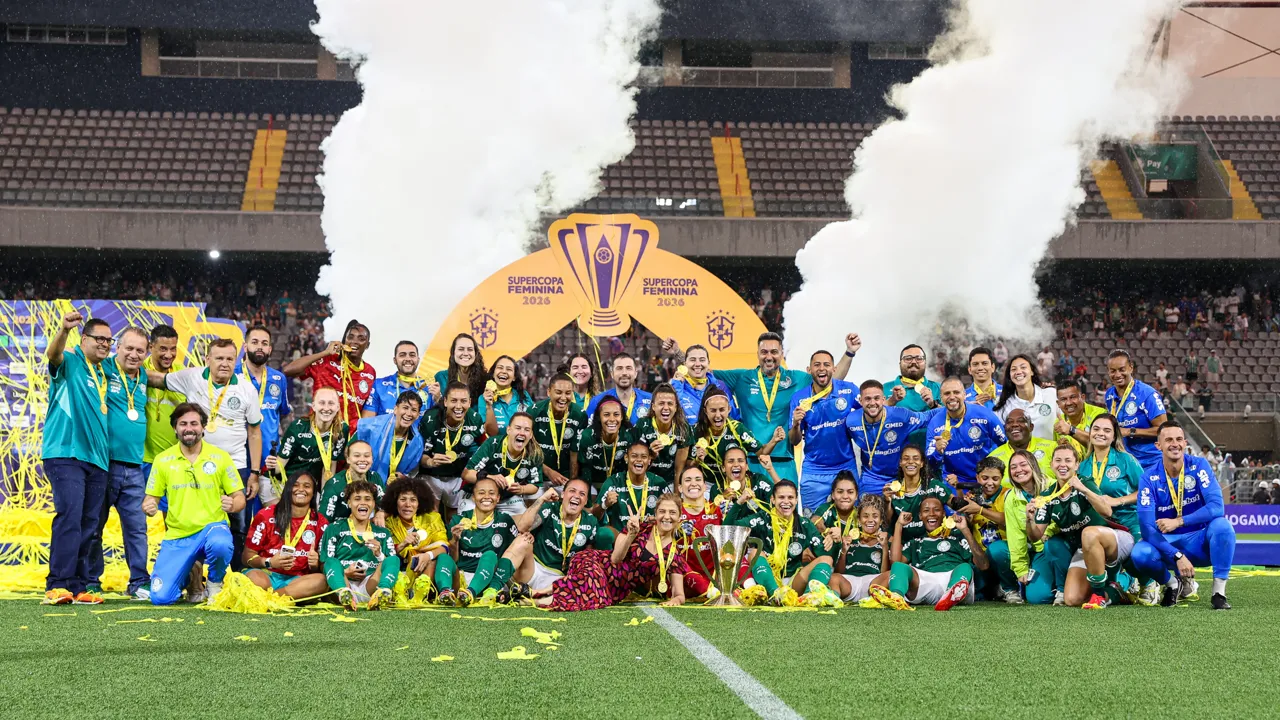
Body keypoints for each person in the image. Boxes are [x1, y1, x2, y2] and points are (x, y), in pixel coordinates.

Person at [674, 331, 860, 483]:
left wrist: (849, 352)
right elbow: (700, 368)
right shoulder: (742, 377)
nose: (769, 356)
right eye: (764, 352)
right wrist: (678, 354)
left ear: (781, 354)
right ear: (757, 354)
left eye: (774, 352)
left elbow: (829, 380)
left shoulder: (796, 379)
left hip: (784, 462)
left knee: (787, 519)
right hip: (748, 463)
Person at [149, 337, 263, 571]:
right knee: (192, 521)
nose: (224, 363)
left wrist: (253, 473)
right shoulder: (191, 377)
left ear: (237, 360)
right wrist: (121, 367)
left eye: (230, 359)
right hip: (196, 464)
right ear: (207, 359)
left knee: (239, 524)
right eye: (219, 358)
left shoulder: (246, 388)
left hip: (234, 464)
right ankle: (192, 578)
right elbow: (158, 379)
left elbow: (254, 433)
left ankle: (236, 578)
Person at [41, 311, 113, 605]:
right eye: (100, 339)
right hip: (66, 453)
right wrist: (62, 330)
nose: (105, 344)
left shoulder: (104, 372)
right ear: (84, 339)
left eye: (109, 340)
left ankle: (80, 585)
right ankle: (57, 584)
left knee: (90, 524)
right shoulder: (70, 361)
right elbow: (53, 353)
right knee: (70, 517)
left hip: (98, 460)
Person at [142, 403, 245, 605]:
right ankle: (192, 576)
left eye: (194, 423)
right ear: (175, 428)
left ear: (203, 427)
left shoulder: (220, 457)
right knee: (161, 598)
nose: (189, 428)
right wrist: (149, 505)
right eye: (183, 424)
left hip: (212, 528)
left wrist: (232, 505)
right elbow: (151, 498)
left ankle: (214, 583)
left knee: (221, 544)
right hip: (178, 536)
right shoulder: (163, 460)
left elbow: (239, 496)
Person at [1130, 421, 1236, 610]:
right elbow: (1146, 528)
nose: (1175, 444)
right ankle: (1172, 584)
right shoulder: (1148, 478)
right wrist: (1177, 555)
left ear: (1185, 443)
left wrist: (1178, 521)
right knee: (1140, 553)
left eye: (1179, 439)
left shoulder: (1199, 466)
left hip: (1199, 542)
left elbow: (1217, 507)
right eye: (1168, 439)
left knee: (1223, 526)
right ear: (1158, 445)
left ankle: (1218, 593)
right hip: (1168, 545)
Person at [86, 326, 151, 600]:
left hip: (135, 469)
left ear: (146, 354)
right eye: (129, 348)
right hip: (104, 464)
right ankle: (90, 580)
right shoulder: (101, 369)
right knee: (94, 526)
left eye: (140, 350)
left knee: (136, 529)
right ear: (117, 347)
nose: (133, 354)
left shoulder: (146, 377)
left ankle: (139, 582)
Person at [539, 493, 688, 611]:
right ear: (655, 514)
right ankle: (538, 596)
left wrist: (676, 600)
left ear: (679, 517)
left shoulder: (674, 554)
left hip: (614, 591)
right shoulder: (638, 527)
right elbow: (616, 558)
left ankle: (538, 593)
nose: (667, 516)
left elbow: (679, 594)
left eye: (672, 512)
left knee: (597, 596)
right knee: (591, 583)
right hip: (596, 562)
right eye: (662, 511)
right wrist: (631, 534)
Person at [1027, 443, 1132, 609]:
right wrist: (1030, 520)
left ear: (1076, 465)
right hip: (1085, 549)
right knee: (1072, 599)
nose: (1063, 465)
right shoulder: (1048, 497)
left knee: (1089, 533)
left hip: (1114, 539)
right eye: (1058, 460)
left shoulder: (1086, 482)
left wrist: (1084, 490)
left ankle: (1119, 580)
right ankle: (1114, 591)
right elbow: (1035, 536)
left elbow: (1107, 511)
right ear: (1051, 464)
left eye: (1068, 460)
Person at [1078, 413, 1158, 606]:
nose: (1100, 434)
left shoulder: (1125, 460)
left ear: (1114, 436)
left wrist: (1118, 501)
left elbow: (1146, 491)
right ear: (1089, 433)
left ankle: (1149, 582)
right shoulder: (1083, 467)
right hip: (1100, 525)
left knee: (1138, 558)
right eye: (1096, 429)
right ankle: (1120, 585)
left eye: (1107, 430)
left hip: (1129, 522)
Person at [731, 480, 841, 607]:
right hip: (767, 579)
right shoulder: (761, 519)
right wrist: (739, 502)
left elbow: (827, 555)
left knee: (826, 559)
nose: (786, 502)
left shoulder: (804, 524)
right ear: (772, 499)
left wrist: (836, 541)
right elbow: (730, 528)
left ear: (796, 500)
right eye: (781, 497)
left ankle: (809, 597)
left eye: (790, 497)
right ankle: (775, 595)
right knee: (755, 552)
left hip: (794, 582)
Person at [872, 495, 988, 611]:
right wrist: (899, 525)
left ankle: (950, 595)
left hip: (952, 579)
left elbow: (983, 565)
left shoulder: (956, 540)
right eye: (926, 510)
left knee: (965, 567)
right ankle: (896, 597)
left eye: (936, 510)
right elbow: (895, 563)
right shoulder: (915, 543)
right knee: (899, 566)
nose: (932, 513)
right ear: (920, 516)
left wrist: (965, 530)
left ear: (943, 514)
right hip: (925, 581)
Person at [788, 350, 861, 511]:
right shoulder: (799, 398)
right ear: (809, 370)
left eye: (826, 365)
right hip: (814, 470)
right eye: (817, 365)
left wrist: (892, 401)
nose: (822, 368)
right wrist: (795, 424)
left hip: (845, 466)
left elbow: (872, 411)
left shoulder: (849, 391)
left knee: (850, 521)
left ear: (834, 369)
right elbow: (794, 440)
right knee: (814, 525)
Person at [504, 480, 602, 598]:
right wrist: (541, 499)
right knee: (523, 539)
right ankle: (495, 588)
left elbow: (588, 558)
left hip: (555, 579)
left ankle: (525, 596)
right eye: (572, 491)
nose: (576, 496)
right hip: (532, 569)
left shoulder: (591, 522)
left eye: (582, 494)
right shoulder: (550, 508)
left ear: (586, 501)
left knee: (575, 589)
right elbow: (522, 527)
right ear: (563, 494)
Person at [433, 477, 520, 606]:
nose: (486, 497)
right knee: (443, 557)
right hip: (460, 579)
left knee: (490, 555)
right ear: (473, 497)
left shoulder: (505, 521)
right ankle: (445, 593)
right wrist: (455, 541)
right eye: (481, 493)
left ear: (498, 498)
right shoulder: (459, 520)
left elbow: (513, 553)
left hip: (487, 579)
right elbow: (454, 560)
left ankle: (471, 593)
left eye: (491, 493)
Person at [243, 473, 330, 600]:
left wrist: (315, 564)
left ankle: (271, 598)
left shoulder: (321, 523)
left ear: (313, 493)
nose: (301, 490)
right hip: (268, 576)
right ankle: (284, 598)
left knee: (322, 580)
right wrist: (269, 562)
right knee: (253, 577)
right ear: (287, 489)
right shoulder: (266, 516)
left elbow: (323, 566)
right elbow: (247, 556)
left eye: (307, 486)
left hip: (298, 581)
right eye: (295, 485)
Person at [846, 380, 937, 496]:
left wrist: (958, 410)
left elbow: (927, 417)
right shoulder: (851, 421)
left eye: (877, 398)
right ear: (860, 401)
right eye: (868, 399)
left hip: (903, 476)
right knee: (868, 510)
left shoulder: (900, 416)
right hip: (872, 479)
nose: (872, 403)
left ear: (883, 399)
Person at [282, 319, 377, 430]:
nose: (354, 341)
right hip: (319, 434)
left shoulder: (370, 372)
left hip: (349, 439)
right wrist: (324, 352)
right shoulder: (326, 361)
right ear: (344, 340)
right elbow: (288, 370)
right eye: (350, 337)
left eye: (361, 339)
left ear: (367, 345)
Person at [320, 480, 399, 610]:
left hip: (370, 584)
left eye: (368, 499)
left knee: (393, 559)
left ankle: (382, 592)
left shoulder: (383, 533)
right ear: (349, 503)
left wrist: (379, 555)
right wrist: (345, 572)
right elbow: (324, 565)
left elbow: (390, 566)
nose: (363, 502)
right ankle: (345, 594)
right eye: (357, 499)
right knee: (331, 561)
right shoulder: (334, 529)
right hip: (343, 583)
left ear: (374, 504)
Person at [1003, 449, 1069, 605]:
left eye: (1023, 464)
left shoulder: (1055, 486)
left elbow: (1065, 519)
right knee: (1037, 597)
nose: (1019, 470)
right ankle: (1057, 583)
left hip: (1062, 546)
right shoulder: (1011, 497)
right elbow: (1014, 535)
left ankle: (1063, 589)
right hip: (1040, 551)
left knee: (1053, 545)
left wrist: (1049, 531)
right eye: (1013, 467)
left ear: (1033, 465)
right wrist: (1021, 568)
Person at [689, 387, 782, 493]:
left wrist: (774, 440)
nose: (718, 415)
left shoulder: (738, 429)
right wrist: (697, 460)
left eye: (722, 410)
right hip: (707, 486)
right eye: (713, 410)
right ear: (706, 411)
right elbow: (687, 467)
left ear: (729, 409)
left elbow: (762, 452)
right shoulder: (696, 431)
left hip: (735, 485)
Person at [266, 387, 348, 504]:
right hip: (280, 482)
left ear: (338, 407)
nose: (326, 408)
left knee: (320, 512)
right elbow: (279, 468)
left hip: (308, 487)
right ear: (313, 406)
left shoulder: (341, 429)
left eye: (331, 403)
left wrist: (324, 500)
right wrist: (271, 465)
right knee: (283, 515)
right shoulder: (298, 427)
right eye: (321, 403)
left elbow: (328, 468)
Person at [956, 457, 1020, 603]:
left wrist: (980, 510)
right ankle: (992, 589)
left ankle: (1011, 589)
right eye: (985, 478)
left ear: (1002, 478)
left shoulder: (1009, 495)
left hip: (1006, 555)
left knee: (997, 550)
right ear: (977, 477)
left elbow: (1009, 520)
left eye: (995, 478)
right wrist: (967, 516)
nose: (990, 483)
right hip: (983, 558)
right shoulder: (973, 496)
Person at [419, 381, 487, 517]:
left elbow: (485, 447)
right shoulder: (430, 419)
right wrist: (430, 461)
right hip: (431, 475)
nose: (458, 406)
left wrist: (475, 471)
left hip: (458, 475)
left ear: (469, 402)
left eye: (463, 401)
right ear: (445, 401)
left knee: (454, 518)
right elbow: (419, 456)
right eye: (454, 401)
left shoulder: (474, 419)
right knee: (432, 516)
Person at [926, 378, 1007, 486]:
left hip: (986, 480)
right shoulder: (935, 423)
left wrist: (995, 471)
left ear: (964, 394)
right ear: (941, 397)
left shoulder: (984, 414)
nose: (952, 397)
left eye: (956, 392)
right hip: (954, 481)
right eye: (947, 393)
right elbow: (931, 464)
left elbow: (1005, 444)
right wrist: (937, 451)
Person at [381, 476, 447, 604]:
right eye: (403, 499)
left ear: (420, 503)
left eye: (413, 500)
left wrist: (427, 555)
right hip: (398, 571)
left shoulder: (432, 519)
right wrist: (403, 544)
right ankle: (399, 592)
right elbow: (383, 555)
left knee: (432, 561)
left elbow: (444, 546)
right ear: (395, 502)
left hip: (423, 571)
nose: (408, 505)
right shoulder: (388, 522)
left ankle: (418, 596)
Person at [463, 412, 544, 514]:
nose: (522, 433)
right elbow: (466, 474)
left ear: (531, 434)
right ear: (508, 430)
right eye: (518, 428)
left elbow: (535, 485)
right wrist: (489, 477)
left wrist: (521, 489)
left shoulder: (534, 453)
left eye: (527, 430)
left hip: (507, 499)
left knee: (524, 523)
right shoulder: (492, 445)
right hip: (479, 495)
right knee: (467, 524)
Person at [820, 490, 892, 605]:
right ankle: (833, 598)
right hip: (850, 581)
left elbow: (883, 572)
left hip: (872, 582)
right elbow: (840, 572)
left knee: (889, 576)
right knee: (834, 577)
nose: (870, 520)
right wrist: (843, 551)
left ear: (881, 521)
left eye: (875, 516)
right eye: (865, 516)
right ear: (859, 520)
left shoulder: (884, 541)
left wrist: (884, 547)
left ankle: (875, 599)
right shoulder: (849, 539)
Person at [1103, 350, 1168, 470]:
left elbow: (1165, 430)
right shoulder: (1109, 395)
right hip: (1126, 463)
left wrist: (1130, 431)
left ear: (1131, 368)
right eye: (1113, 371)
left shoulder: (1147, 394)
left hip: (1151, 462)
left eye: (1122, 369)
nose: (1117, 375)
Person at [672, 466, 725, 601]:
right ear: (679, 487)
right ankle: (711, 594)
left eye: (698, 479)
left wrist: (730, 515)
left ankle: (750, 588)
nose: (693, 483)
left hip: (715, 579)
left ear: (705, 486)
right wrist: (675, 532)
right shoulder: (672, 511)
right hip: (684, 579)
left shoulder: (717, 510)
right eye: (688, 480)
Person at [240, 324, 291, 459]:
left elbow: (284, 414)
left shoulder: (279, 379)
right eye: (254, 342)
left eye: (264, 343)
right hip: (239, 456)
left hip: (269, 457)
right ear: (245, 347)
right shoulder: (233, 375)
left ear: (269, 349)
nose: (260, 347)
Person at [530, 373, 588, 488]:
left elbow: (574, 454)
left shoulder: (579, 415)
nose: (563, 398)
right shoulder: (534, 412)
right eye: (558, 392)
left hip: (564, 478)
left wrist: (571, 485)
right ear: (548, 392)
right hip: (536, 476)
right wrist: (547, 471)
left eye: (568, 393)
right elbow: (528, 448)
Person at [599, 442, 672, 530]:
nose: (639, 460)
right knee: (604, 533)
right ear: (626, 458)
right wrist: (604, 504)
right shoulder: (613, 482)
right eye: (634, 456)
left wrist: (658, 519)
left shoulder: (659, 483)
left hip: (650, 537)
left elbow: (673, 510)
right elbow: (594, 516)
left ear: (649, 460)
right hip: (621, 538)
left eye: (644, 457)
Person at [354, 390, 424, 481]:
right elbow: (349, 453)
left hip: (393, 489)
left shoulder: (417, 442)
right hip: (364, 483)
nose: (409, 414)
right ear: (395, 409)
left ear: (418, 415)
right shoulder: (370, 427)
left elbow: (412, 472)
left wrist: (404, 478)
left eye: (414, 410)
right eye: (405, 408)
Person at [632, 382, 692, 488]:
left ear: (676, 407)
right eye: (661, 403)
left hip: (671, 482)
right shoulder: (642, 425)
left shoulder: (683, 428)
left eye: (670, 404)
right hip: (645, 481)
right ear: (653, 406)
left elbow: (679, 470)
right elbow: (634, 464)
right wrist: (650, 454)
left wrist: (676, 497)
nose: (665, 407)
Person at [662, 341, 737, 424]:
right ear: (685, 363)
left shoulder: (720, 386)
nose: (697, 364)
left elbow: (733, 418)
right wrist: (676, 387)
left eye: (702, 360)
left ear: (708, 363)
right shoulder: (677, 386)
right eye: (692, 360)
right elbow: (667, 417)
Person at [884, 344, 942, 448]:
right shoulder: (885, 388)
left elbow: (952, 416)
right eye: (908, 358)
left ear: (925, 363)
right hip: (895, 454)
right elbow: (872, 416)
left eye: (919, 358)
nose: (914, 362)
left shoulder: (938, 388)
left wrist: (933, 404)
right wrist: (892, 400)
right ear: (900, 363)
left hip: (932, 452)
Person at [993, 354, 1058, 442]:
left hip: (1051, 454)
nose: (1018, 372)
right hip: (1018, 455)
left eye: (1023, 367)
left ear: (1032, 371)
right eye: (1013, 369)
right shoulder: (1002, 404)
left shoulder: (1051, 394)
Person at [143, 324, 183, 465]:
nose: (168, 355)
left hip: (174, 459)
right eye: (163, 349)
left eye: (173, 349)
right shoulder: (138, 370)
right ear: (150, 347)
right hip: (143, 459)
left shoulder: (182, 375)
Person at [883, 445, 953, 526]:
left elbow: (955, 504)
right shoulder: (893, 490)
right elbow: (887, 522)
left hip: (931, 537)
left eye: (915, 458)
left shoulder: (934, 486)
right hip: (905, 538)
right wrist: (887, 502)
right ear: (900, 463)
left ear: (922, 463)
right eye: (906, 458)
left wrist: (958, 489)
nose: (910, 461)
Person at [576, 395, 634, 493]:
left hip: (618, 484)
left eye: (616, 414)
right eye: (606, 414)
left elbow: (628, 469)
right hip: (593, 484)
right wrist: (588, 502)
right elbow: (586, 470)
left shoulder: (628, 435)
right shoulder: (588, 436)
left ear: (622, 417)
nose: (612, 419)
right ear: (599, 417)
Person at [319, 440, 386, 523]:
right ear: (348, 459)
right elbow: (323, 521)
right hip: (339, 532)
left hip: (366, 530)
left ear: (372, 459)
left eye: (367, 456)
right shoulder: (334, 485)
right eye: (357, 456)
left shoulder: (374, 478)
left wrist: (381, 512)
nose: (362, 459)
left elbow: (386, 505)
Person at [985, 409, 1057, 483]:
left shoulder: (1052, 448)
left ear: (1031, 427)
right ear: (1004, 428)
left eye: (1021, 421)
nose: (1014, 424)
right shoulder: (994, 458)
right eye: (1009, 422)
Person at [365, 340, 433, 417]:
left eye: (412, 355)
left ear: (418, 359)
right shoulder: (379, 385)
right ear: (395, 360)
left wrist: (437, 400)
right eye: (402, 355)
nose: (408, 359)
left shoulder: (428, 388)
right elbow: (367, 422)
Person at [585, 352, 652, 425]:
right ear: (612, 374)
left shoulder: (650, 399)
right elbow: (588, 433)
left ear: (635, 373)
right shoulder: (597, 401)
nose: (624, 373)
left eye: (628, 368)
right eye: (619, 368)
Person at [479, 354, 535, 435]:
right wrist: (489, 406)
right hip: (497, 446)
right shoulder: (484, 398)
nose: (504, 371)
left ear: (514, 377)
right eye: (500, 368)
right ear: (493, 374)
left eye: (509, 369)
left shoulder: (523, 395)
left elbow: (532, 423)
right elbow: (491, 433)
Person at [432, 333, 486, 407]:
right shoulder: (441, 377)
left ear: (475, 354)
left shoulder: (484, 380)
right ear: (453, 353)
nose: (466, 353)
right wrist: (438, 399)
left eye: (470, 349)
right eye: (461, 349)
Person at [1054, 382, 1104, 453]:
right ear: (1058, 403)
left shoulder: (1099, 415)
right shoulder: (1059, 423)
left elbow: (1102, 444)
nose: (1069, 403)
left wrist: (1070, 430)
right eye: (1063, 399)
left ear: (1083, 398)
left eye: (1073, 397)